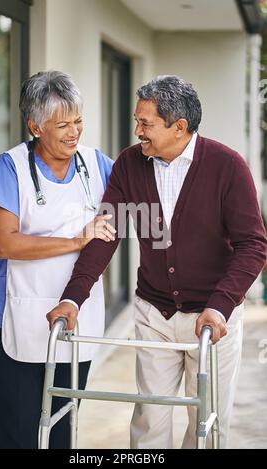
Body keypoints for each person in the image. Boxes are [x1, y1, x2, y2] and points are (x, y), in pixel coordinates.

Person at [46, 75, 267, 449]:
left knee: (208, 426)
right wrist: (73, 297)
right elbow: (106, 234)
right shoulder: (131, 164)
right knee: (149, 421)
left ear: (179, 127)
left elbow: (252, 246)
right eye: (137, 121)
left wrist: (220, 306)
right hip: (155, 314)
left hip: (214, 319)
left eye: (146, 124)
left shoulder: (228, 166)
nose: (137, 131)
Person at [0, 70, 115, 449]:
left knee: (62, 426)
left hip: (77, 313)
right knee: (19, 429)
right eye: (62, 125)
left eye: (78, 121)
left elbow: (131, 209)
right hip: (16, 314)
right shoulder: (11, 167)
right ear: (35, 126)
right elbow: (5, 244)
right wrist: (77, 240)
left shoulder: (97, 164)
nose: (74, 133)